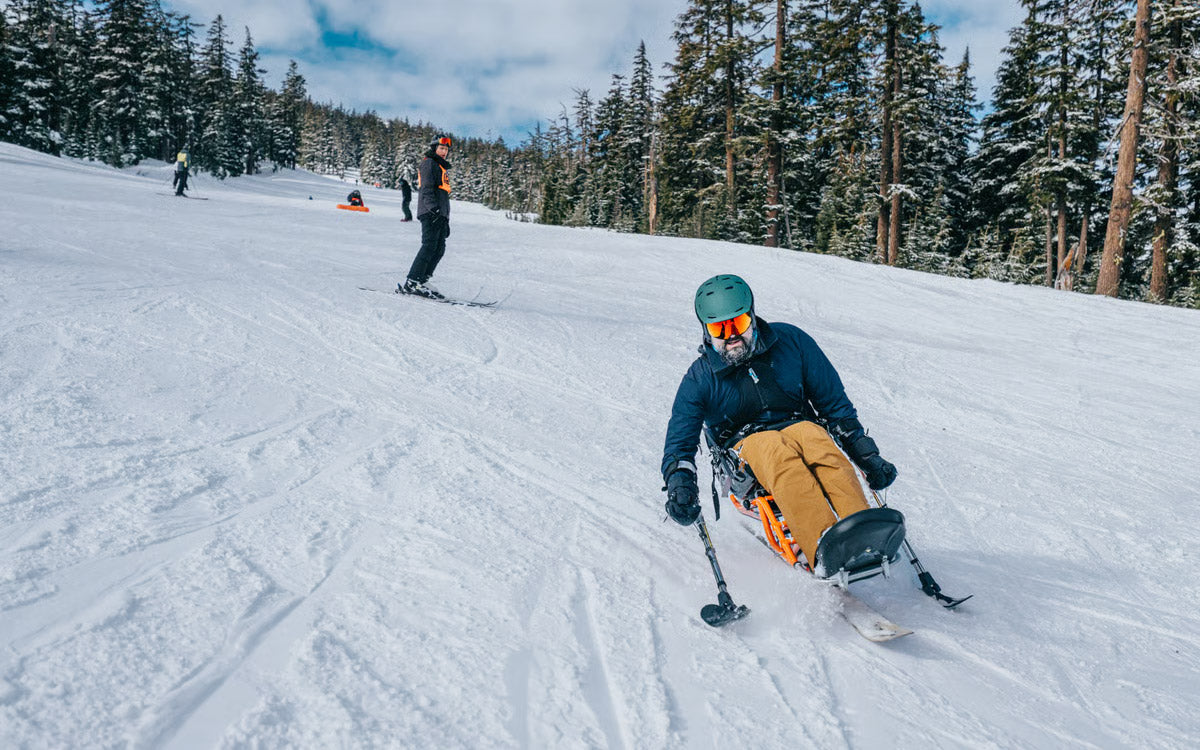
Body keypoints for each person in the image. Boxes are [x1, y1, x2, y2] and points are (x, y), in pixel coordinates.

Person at [661, 274, 898, 574]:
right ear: (706, 331)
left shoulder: (791, 342)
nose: (731, 336)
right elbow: (679, 442)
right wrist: (680, 483)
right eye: (720, 329)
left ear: (752, 317)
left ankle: (862, 536)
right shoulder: (700, 377)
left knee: (819, 443)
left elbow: (834, 403)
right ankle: (824, 546)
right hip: (743, 448)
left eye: (738, 324)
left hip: (798, 425)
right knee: (776, 452)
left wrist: (865, 454)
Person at [399, 137, 453, 298]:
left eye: (446, 149)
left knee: (439, 249)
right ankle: (412, 281)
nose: (444, 152)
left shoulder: (440, 167)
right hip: (430, 212)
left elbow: (442, 195)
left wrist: (445, 218)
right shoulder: (429, 163)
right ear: (434, 148)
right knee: (429, 246)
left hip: (440, 214)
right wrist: (433, 209)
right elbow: (427, 188)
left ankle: (422, 279)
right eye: (441, 148)